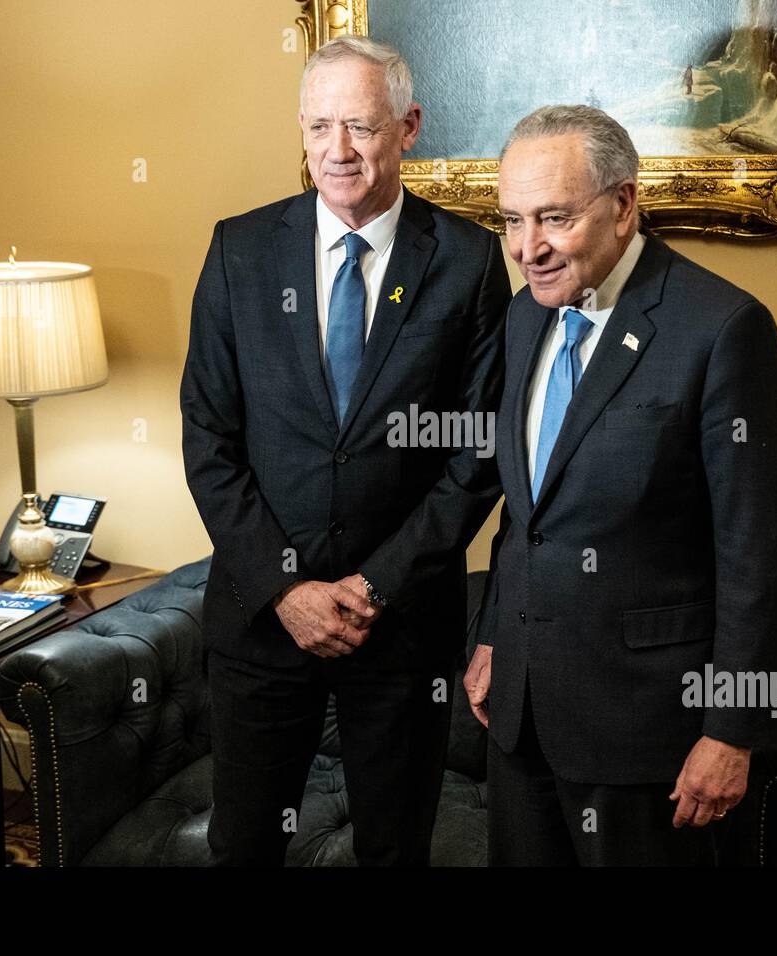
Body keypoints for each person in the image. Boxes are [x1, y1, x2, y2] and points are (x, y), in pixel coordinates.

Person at [180, 35, 511, 866]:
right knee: (244, 843)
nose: (338, 150)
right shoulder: (239, 251)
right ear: (300, 127)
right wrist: (287, 590)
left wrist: (372, 587)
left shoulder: (468, 262)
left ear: (408, 127)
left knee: (395, 848)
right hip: (262, 622)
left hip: (398, 632)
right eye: (321, 125)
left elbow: (476, 455)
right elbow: (208, 439)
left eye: (361, 127)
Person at [463, 105, 777, 866]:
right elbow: (529, 514)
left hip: (650, 731)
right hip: (521, 717)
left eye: (553, 218)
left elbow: (763, 555)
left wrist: (733, 731)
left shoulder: (723, 329)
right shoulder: (526, 316)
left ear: (623, 203)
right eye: (512, 221)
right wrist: (493, 632)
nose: (528, 248)